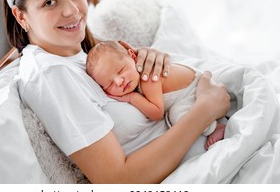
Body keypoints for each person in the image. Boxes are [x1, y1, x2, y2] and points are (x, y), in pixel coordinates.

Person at [3, 0, 230, 183]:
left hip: (208, 139)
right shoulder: (50, 75)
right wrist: (205, 109)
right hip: (203, 158)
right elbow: (117, 181)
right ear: (21, 16)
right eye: (49, 2)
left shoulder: (77, 53)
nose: (72, 11)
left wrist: (152, 60)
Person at [86, 40, 226, 150]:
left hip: (193, 89)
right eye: (109, 84)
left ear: (133, 57)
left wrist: (132, 98)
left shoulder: (148, 78)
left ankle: (215, 127)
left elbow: (157, 113)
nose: (119, 82)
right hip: (189, 88)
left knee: (178, 116)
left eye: (121, 70)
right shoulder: (132, 79)